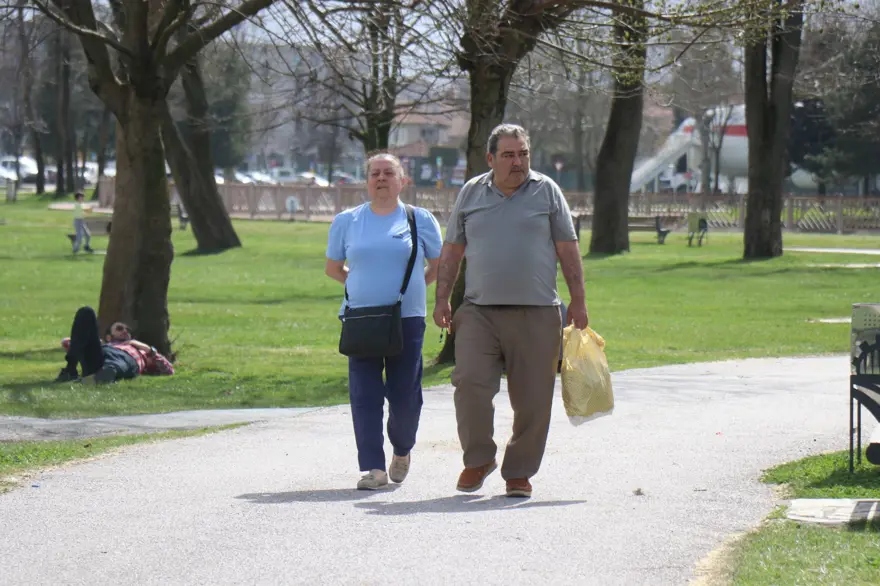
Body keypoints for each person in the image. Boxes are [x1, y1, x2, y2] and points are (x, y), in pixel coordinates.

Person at [433, 124, 588, 498]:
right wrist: (441, 300)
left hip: (538, 311)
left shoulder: (546, 191)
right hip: (478, 311)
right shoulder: (472, 192)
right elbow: (452, 251)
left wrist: (579, 300)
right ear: (491, 159)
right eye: (508, 155)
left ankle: (518, 471)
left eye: (523, 154)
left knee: (533, 399)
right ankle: (479, 458)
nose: (518, 162)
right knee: (469, 382)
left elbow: (568, 250)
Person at [325, 153, 443, 490]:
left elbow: (438, 265)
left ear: (402, 180)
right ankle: (373, 468)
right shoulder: (347, 221)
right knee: (365, 394)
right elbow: (334, 269)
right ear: (367, 181)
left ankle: (402, 449)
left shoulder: (419, 220)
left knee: (405, 395)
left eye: (388, 173)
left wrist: (411, 289)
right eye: (374, 173)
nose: (380, 178)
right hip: (361, 320)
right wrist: (361, 286)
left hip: (406, 319)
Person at [55, 306, 174, 384]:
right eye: (119, 328)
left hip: (126, 359)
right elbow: (66, 342)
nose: (125, 331)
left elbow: (168, 370)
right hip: (101, 354)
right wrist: (93, 341)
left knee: (117, 363)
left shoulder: (140, 351)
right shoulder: (105, 344)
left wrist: (147, 349)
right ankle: (71, 371)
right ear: (109, 337)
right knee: (86, 311)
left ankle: (102, 375)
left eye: (128, 330)